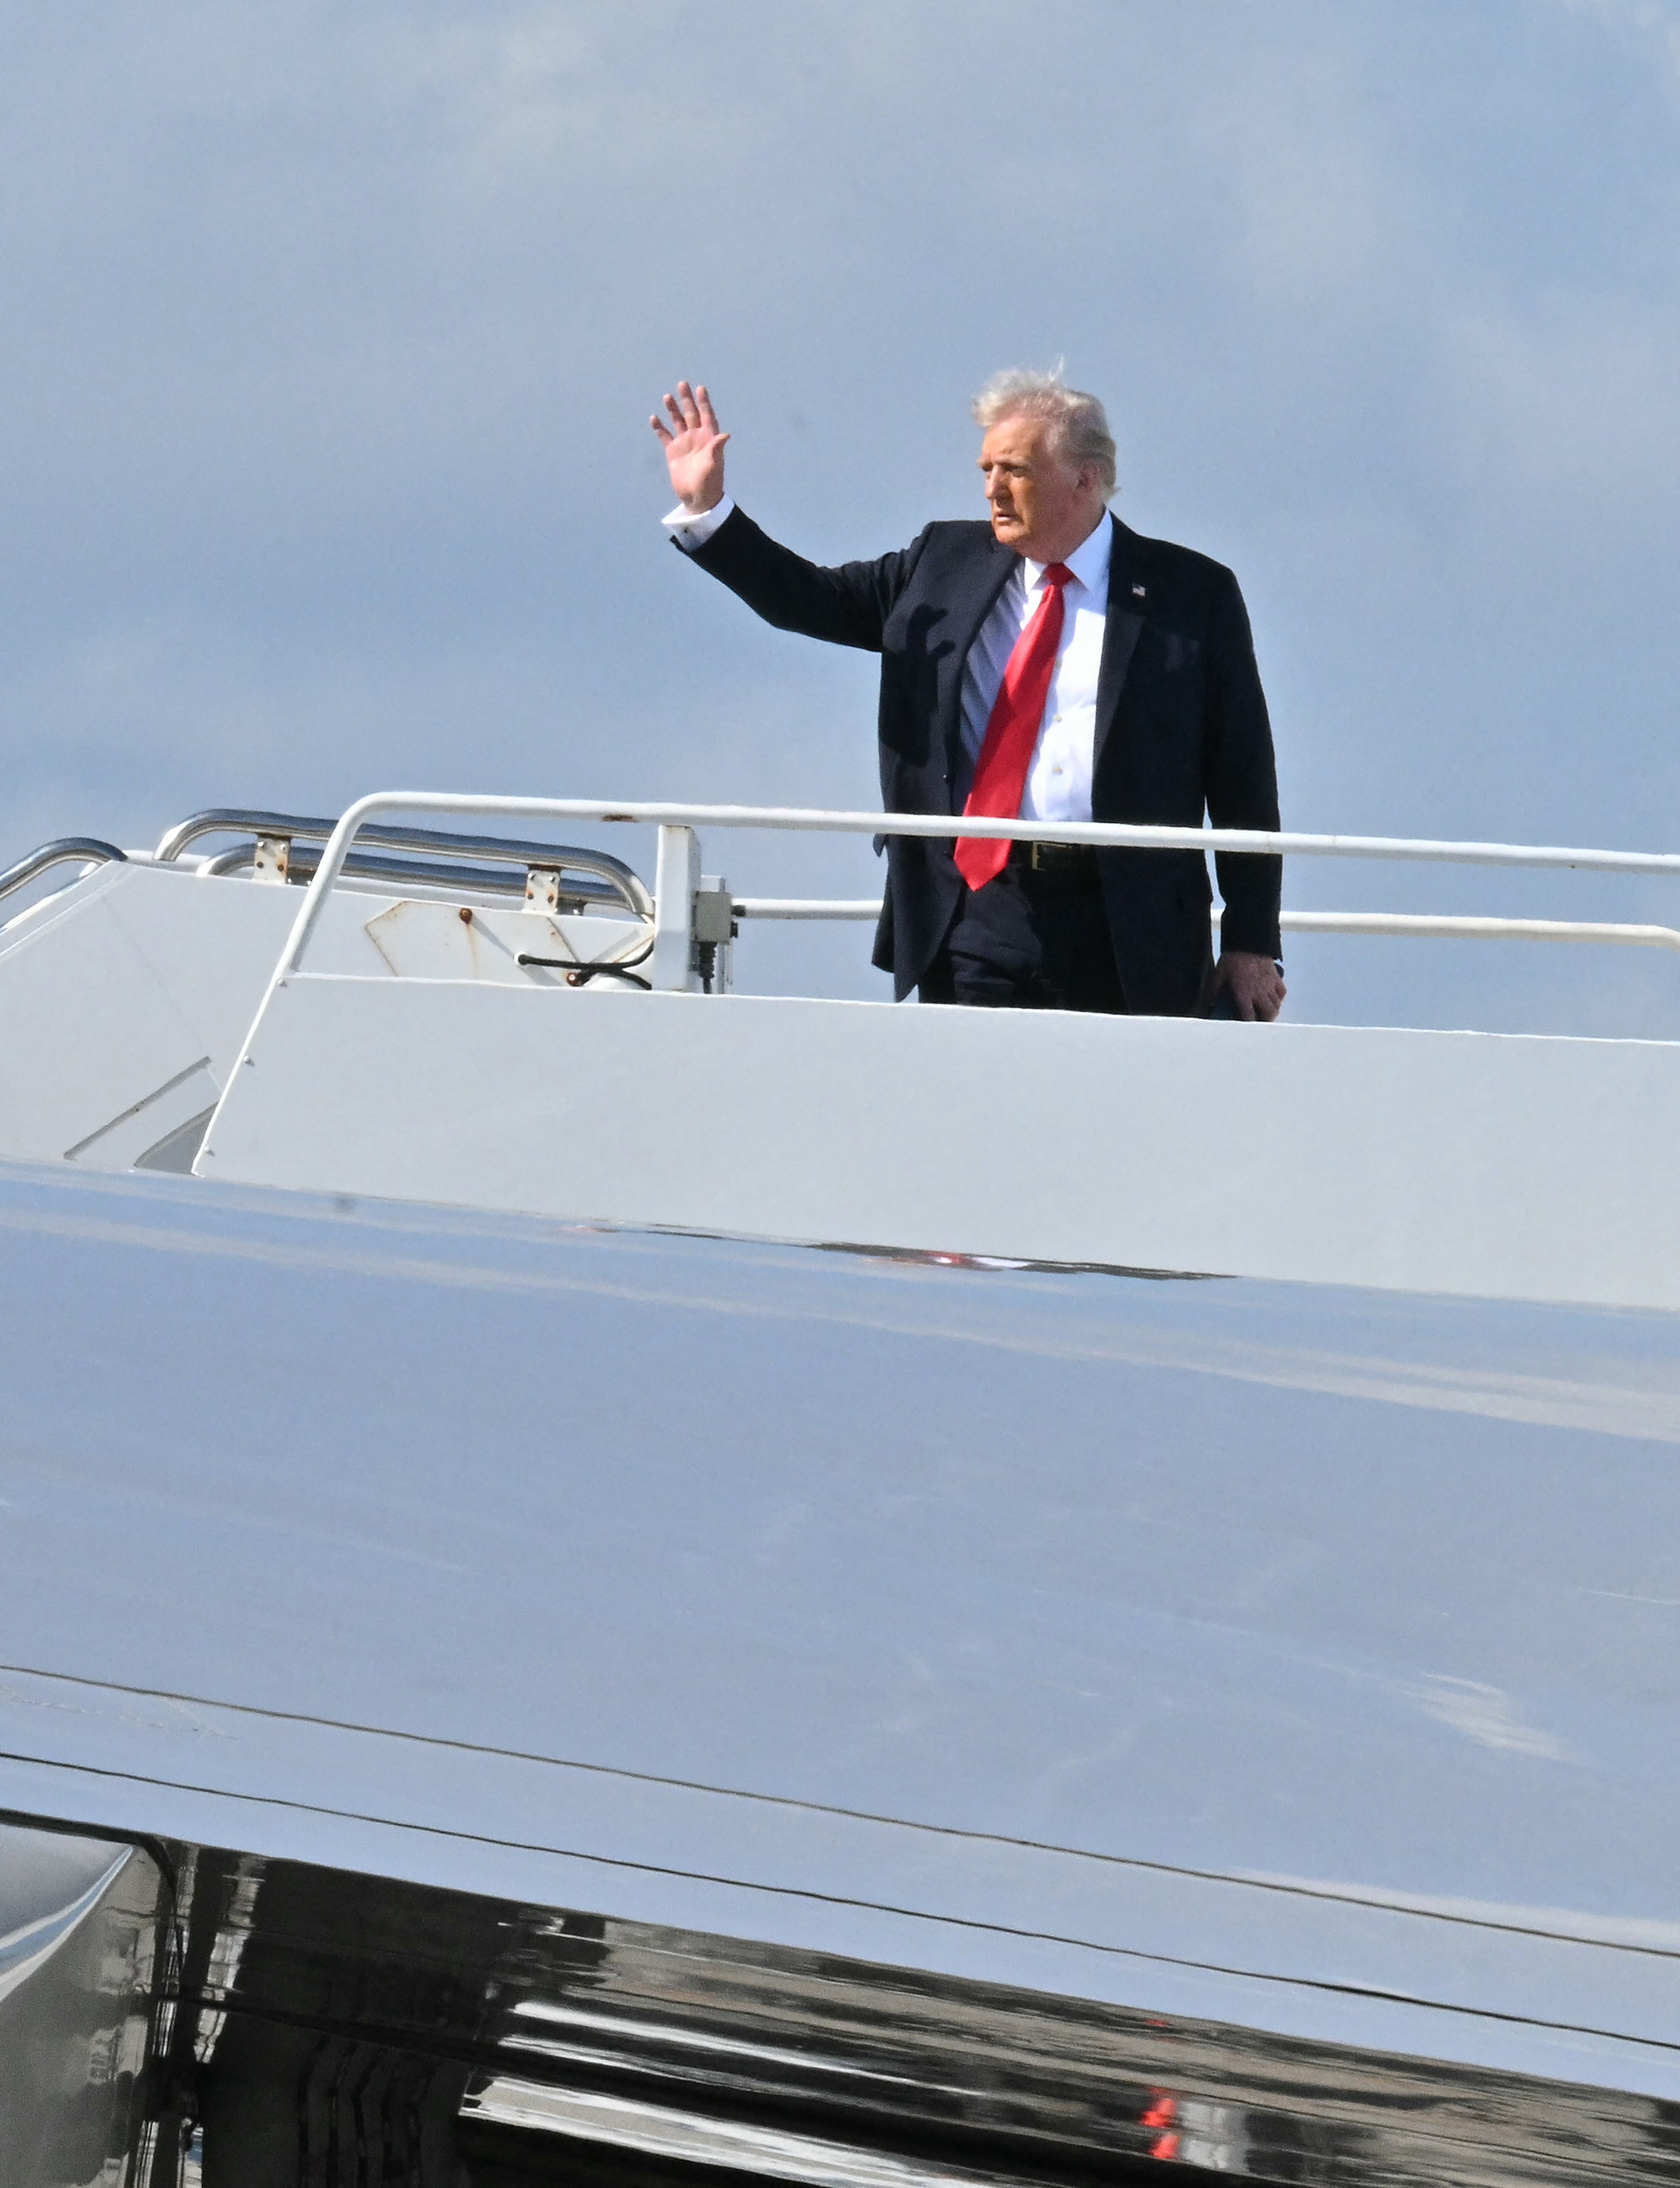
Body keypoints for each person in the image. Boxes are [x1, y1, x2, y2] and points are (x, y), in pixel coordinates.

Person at [650, 371, 1284, 1021]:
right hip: (976, 908)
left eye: (1014, 470)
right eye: (986, 469)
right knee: (975, 1107)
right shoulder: (942, 563)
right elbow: (809, 599)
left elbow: (1243, 780)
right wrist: (710, 513)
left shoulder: (1193, 596)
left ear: (1084, 480)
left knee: (1115, 1114)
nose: (992, 490)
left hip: (1130, 916)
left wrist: (1251, 942)